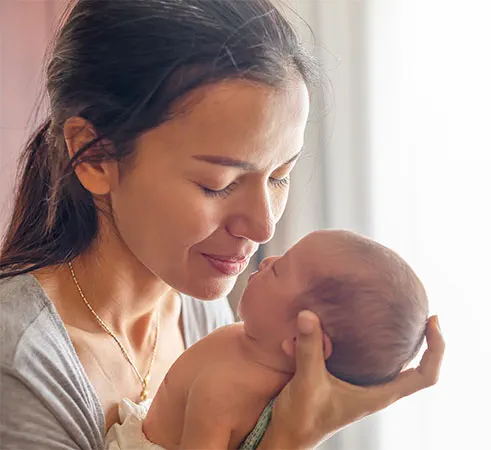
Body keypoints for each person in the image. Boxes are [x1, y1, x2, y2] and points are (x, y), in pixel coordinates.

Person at [0, 1, 444, 449]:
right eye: (218, 184)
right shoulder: (20, 364)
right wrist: (290, 438)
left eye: (279, 176)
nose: (263, 227)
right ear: (95, 156)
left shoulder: (206, 314)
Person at [103, 229, 429, 449]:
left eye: (279, 270)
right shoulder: (257, 348)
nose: (268, 260)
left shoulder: (223, 390)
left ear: (304, 340)